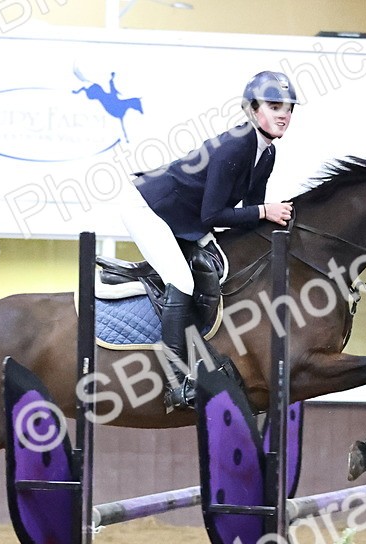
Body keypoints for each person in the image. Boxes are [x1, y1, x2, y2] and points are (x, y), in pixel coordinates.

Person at [121, 70, 298, 410]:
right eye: (274, 105)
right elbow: (214, 217)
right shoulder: (234, 146)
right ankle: (175, 384)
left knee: (221, 267)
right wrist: (265, 212)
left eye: (289, 108)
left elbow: (249, 213)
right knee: (182, 281)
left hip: (183, 218)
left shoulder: (267, 153)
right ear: (252, 109)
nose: (284, 114)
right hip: (148, 209)